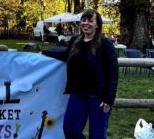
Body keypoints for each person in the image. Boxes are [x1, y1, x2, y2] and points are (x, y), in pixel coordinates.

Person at [42, 9, 118, 138]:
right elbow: (65, 54)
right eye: (83, 20)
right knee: (70, 129)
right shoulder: (75, 40)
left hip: (98, 96)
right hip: (78, 93)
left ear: (97, 24)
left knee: (97, 134)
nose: (86, 23)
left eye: (90, 20)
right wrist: (44, 52)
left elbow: (113, 72)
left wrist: (109, 98)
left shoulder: (105, 44)